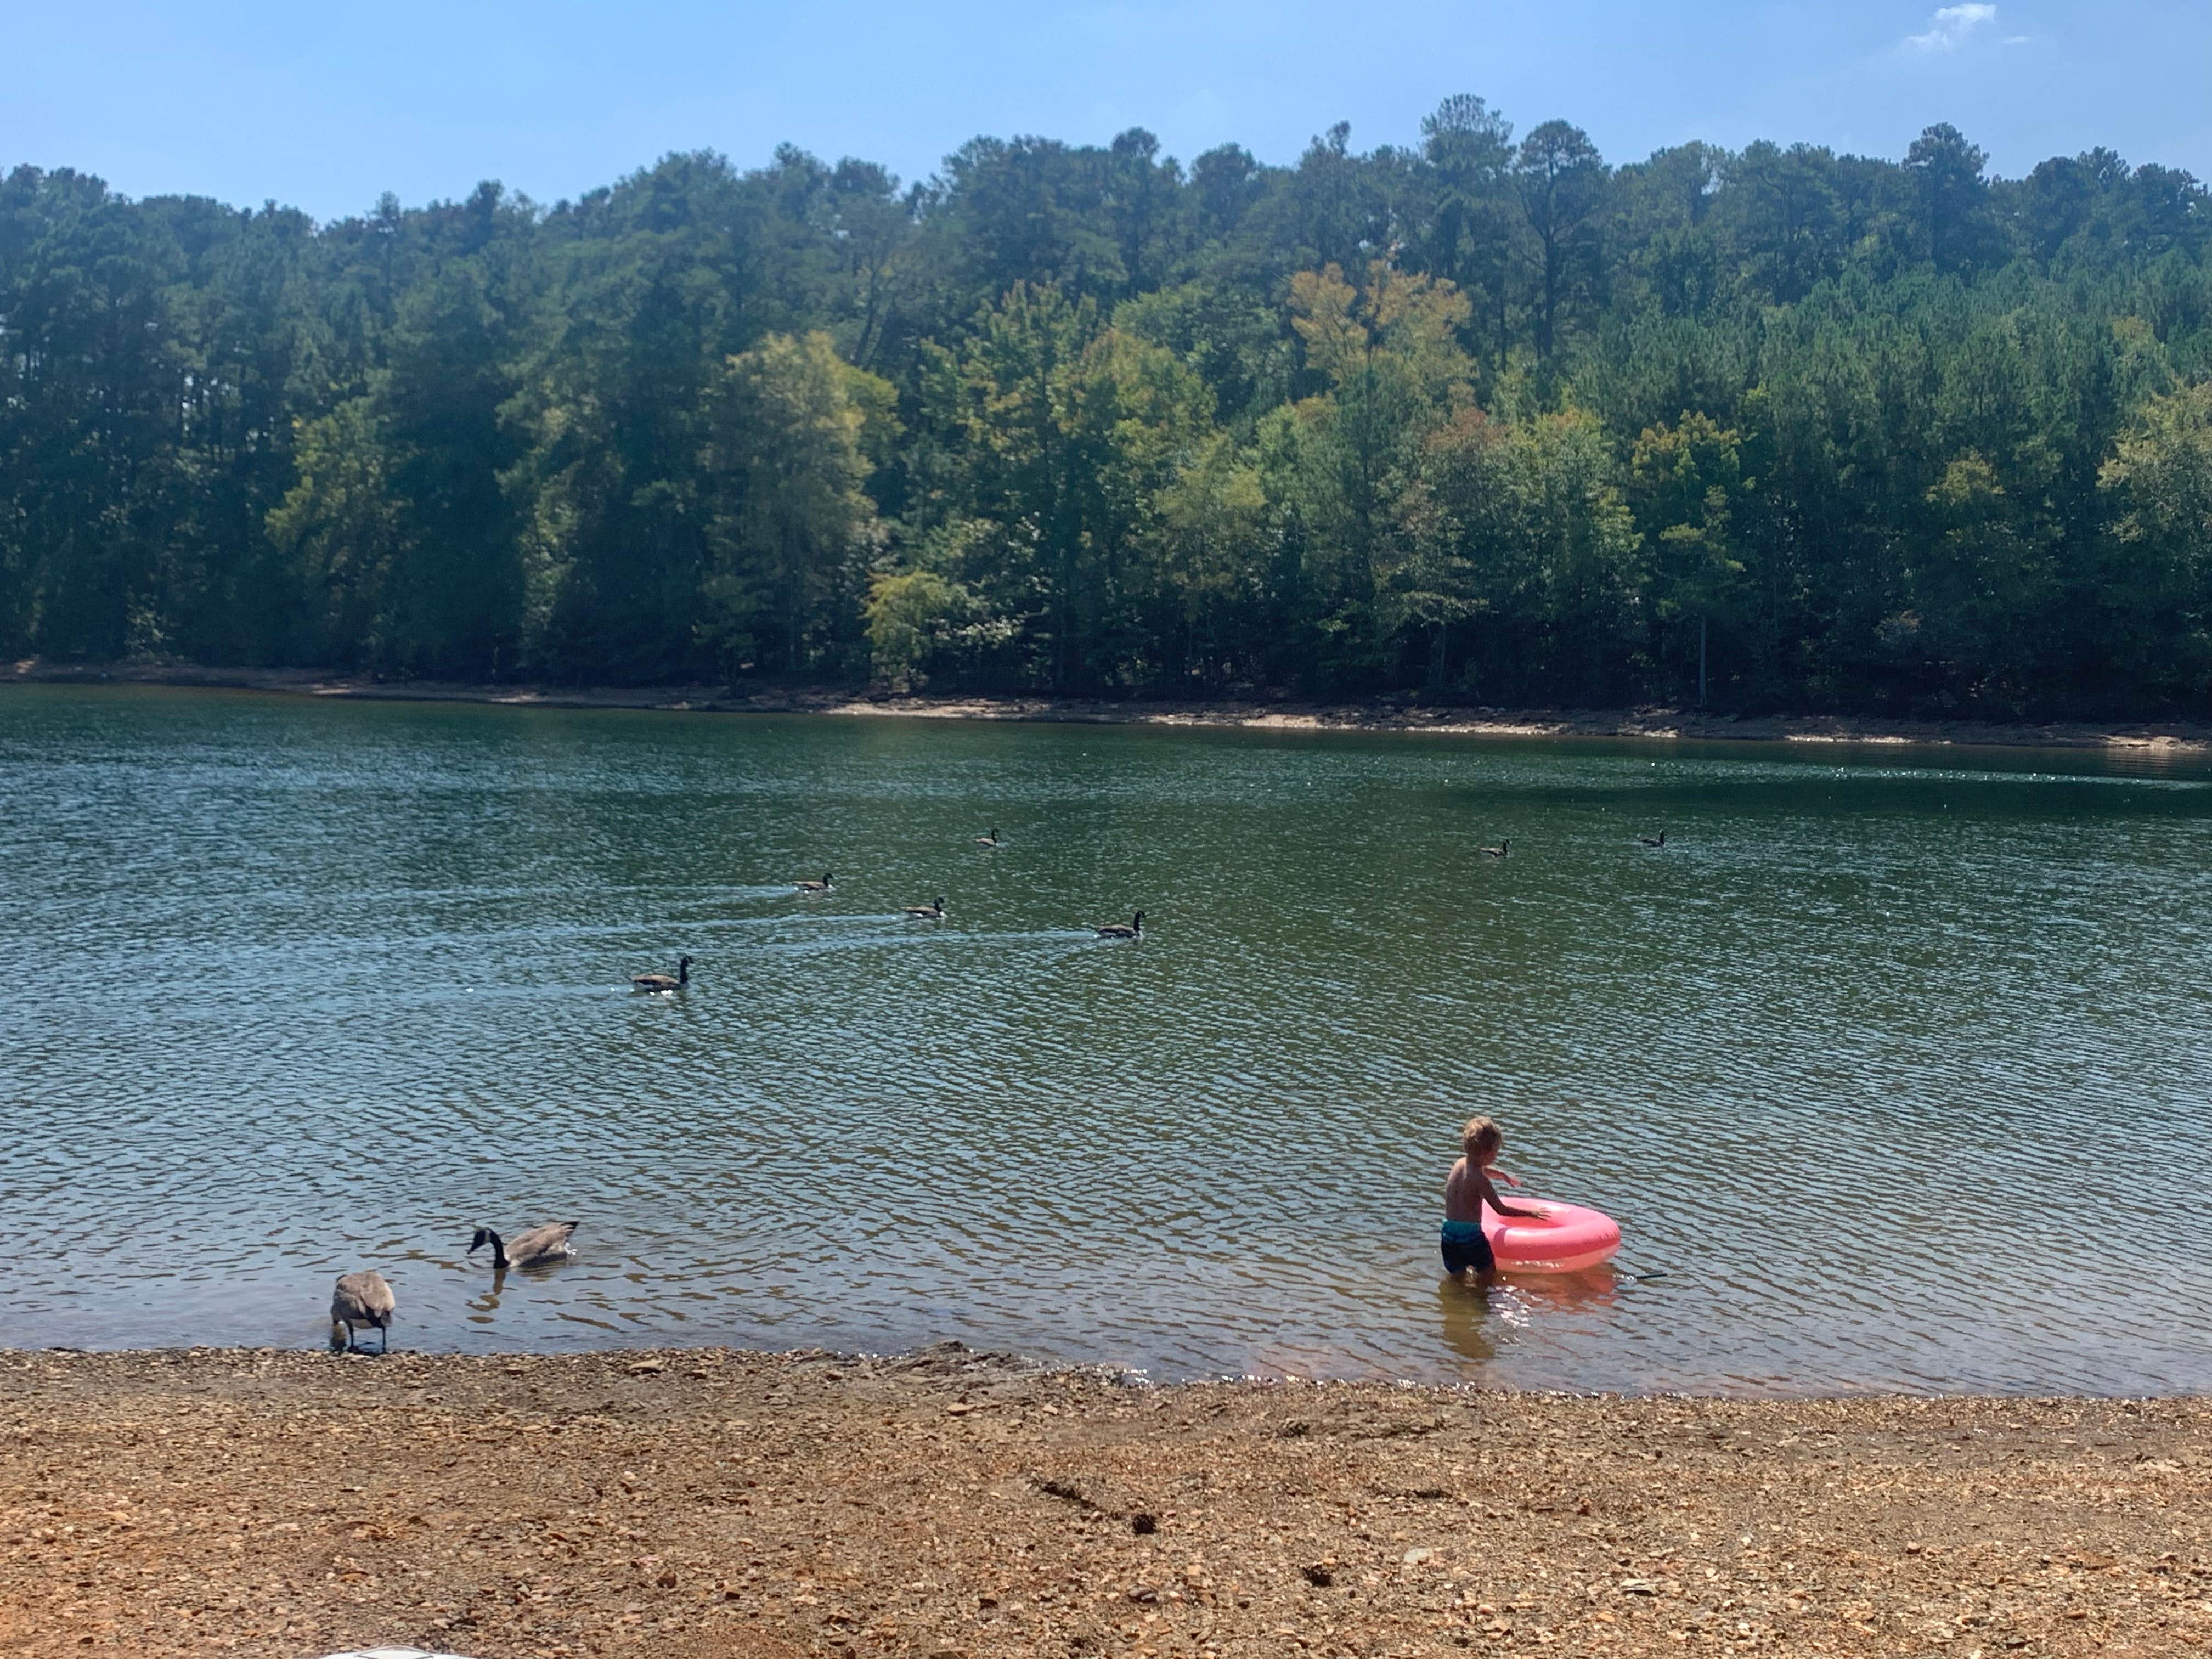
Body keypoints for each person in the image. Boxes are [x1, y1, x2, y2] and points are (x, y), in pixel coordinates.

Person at [1441, 1115, 1544, 1288]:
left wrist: (1502, 1175)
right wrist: (1530, 1214)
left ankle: (1457, 1304)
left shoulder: (1459, 1165)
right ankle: (1481, 1303)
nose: (1497, 1155)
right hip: (1470, 1236)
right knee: (1488, 1272)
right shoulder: (1481, 1181)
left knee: (1456, 1278)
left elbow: (1479, 1169)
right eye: (1496, 1151)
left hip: (1448, 1235)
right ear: (1486, 1152)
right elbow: (1500, 1209)